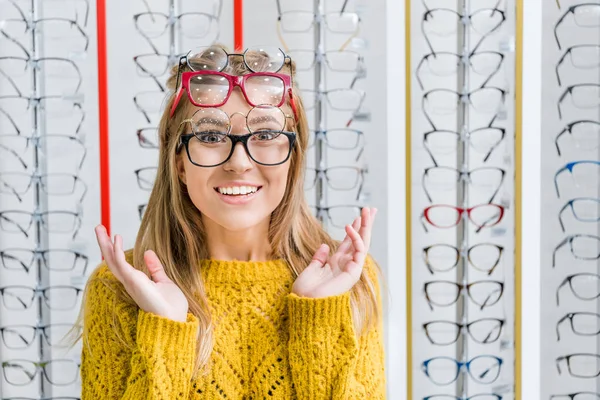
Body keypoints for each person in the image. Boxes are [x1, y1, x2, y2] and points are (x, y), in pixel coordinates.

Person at [78, 44, 387, 399]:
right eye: (210, 136)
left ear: (293, 156)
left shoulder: (351, 280)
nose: (239, 162)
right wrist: (164, 330)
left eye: (266, 135)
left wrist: (318, 320)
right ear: (178, 162)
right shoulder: (119, 287)